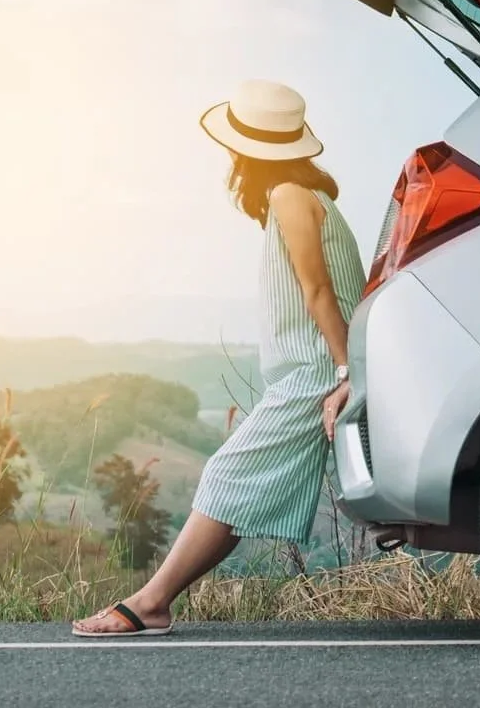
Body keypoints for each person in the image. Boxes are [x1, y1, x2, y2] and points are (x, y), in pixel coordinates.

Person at [72, 79, 366, 636]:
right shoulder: (308, 195)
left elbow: (318, 292)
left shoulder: (288, 196)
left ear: (248, 151)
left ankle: (151, 603)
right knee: (231, 479)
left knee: (227, 476)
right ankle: (152, 601)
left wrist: (347, 371)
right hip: (315, 368)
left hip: (315, 372)